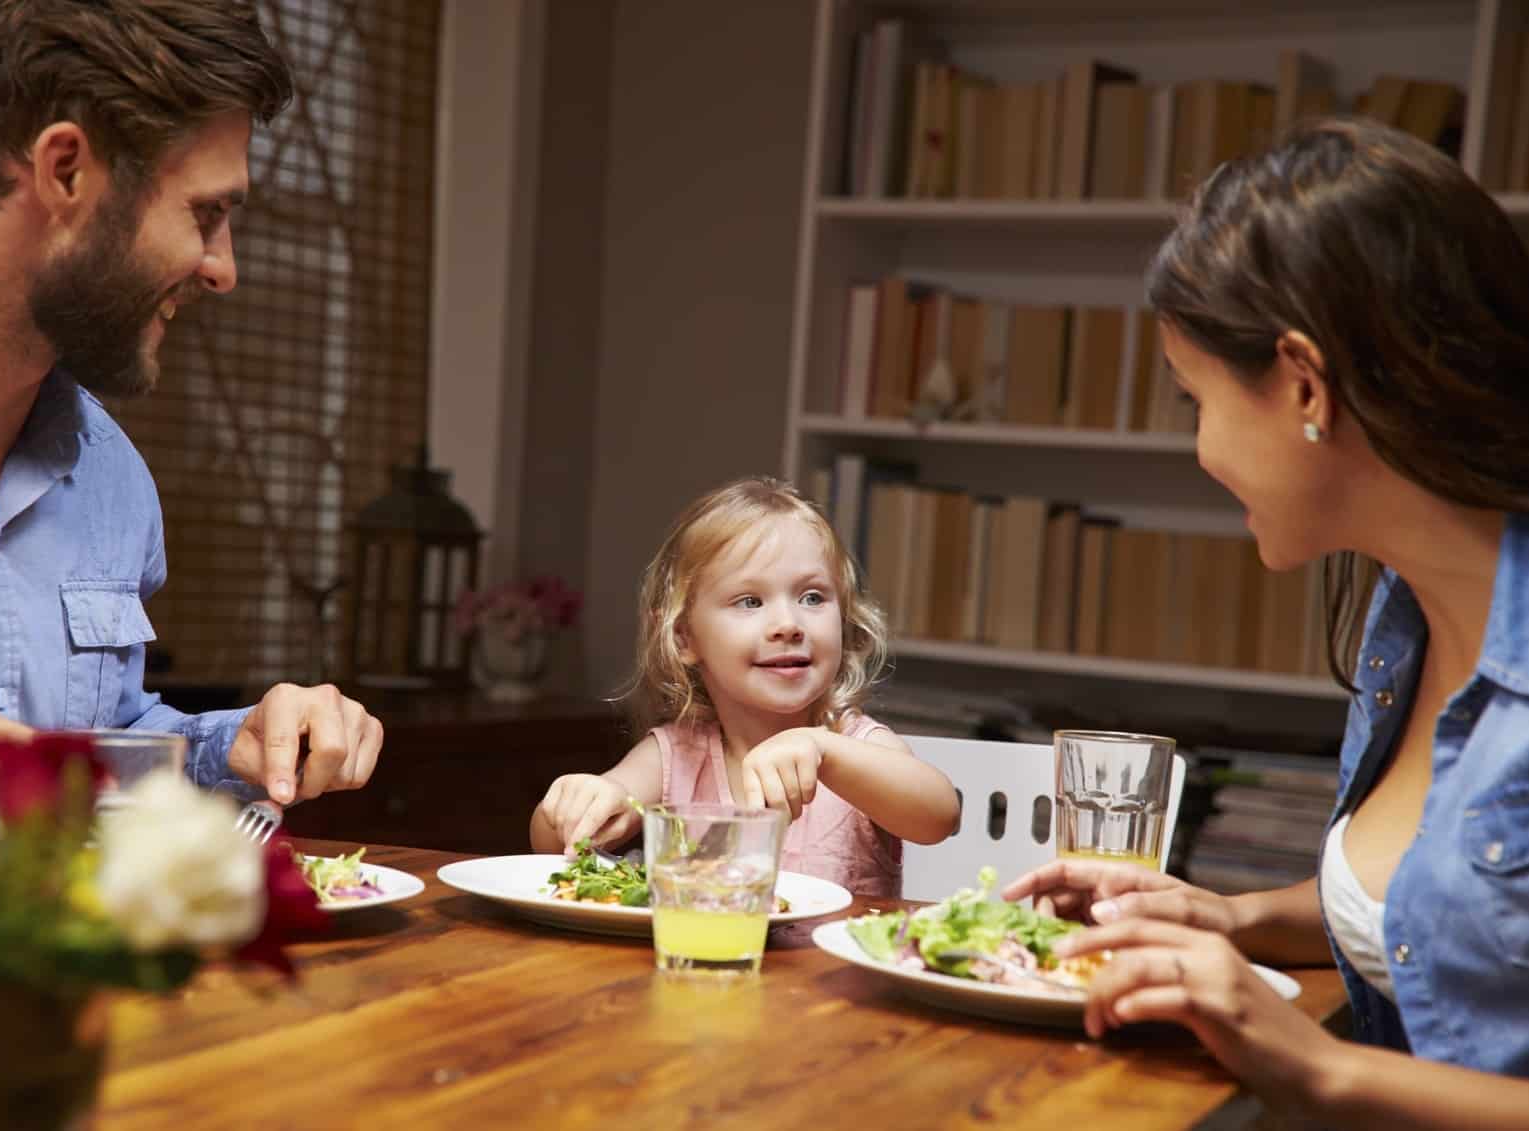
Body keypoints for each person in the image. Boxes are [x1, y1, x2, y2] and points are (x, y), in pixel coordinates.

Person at [1001, 116, 1529, 1126]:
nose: (1200, 451)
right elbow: (1444, 913)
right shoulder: (1401, 620)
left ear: (1301, 383)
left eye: (1193, 397)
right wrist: (1231, 919)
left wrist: (1322, 1068)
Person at [0, 2, 381, 805]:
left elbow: (93, 744)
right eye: (206, 213)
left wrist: (235, 743)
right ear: (65, 171)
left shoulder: (108, 472)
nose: (222, 269)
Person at [530, 476, 959, 896]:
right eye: (750, 601)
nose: (788, 625)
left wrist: (824, 751)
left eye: (812, 597)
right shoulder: (675, 756)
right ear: (684, 637)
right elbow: (549, 845)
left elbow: (940, 815)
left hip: (833, 969)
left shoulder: (852, 743)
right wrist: (580, 802)